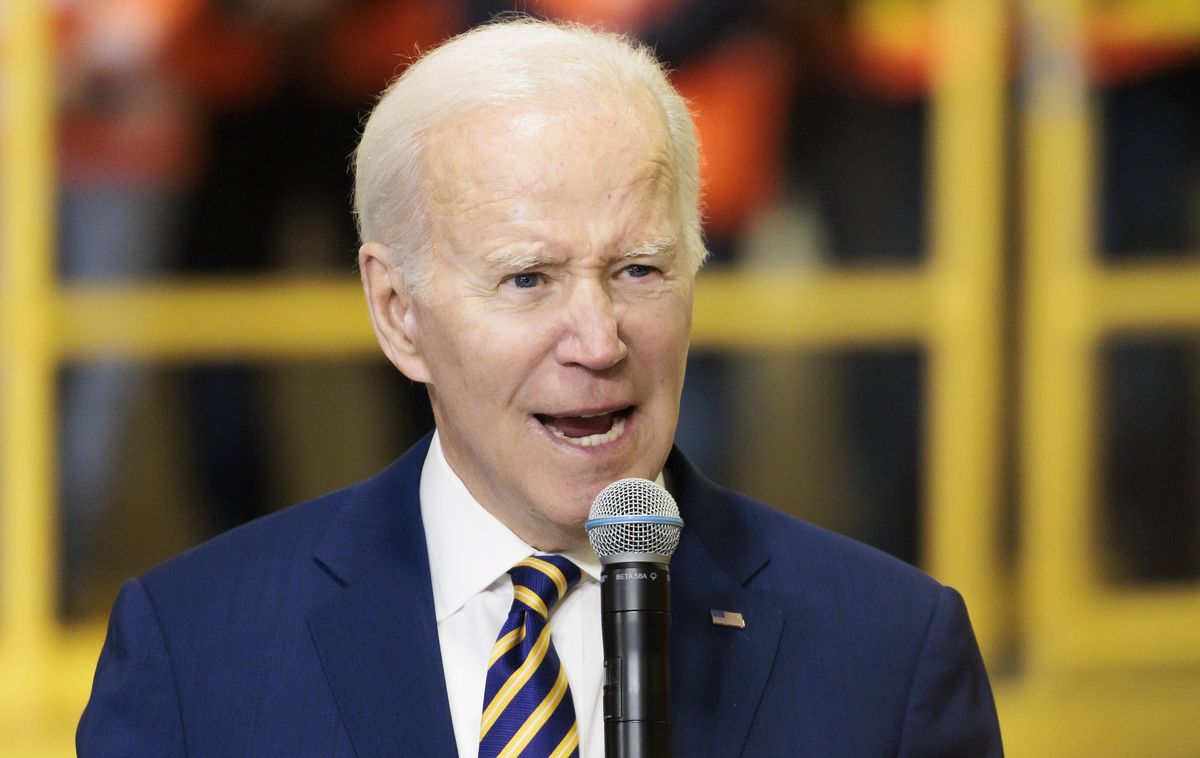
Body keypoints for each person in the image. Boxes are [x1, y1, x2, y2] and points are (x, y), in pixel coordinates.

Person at [77, 18, 1003, 757]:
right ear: (398, 311)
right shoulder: (195, 654)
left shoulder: (890, 652)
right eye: (528, 279)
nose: (599, 341)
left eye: (641, 270)